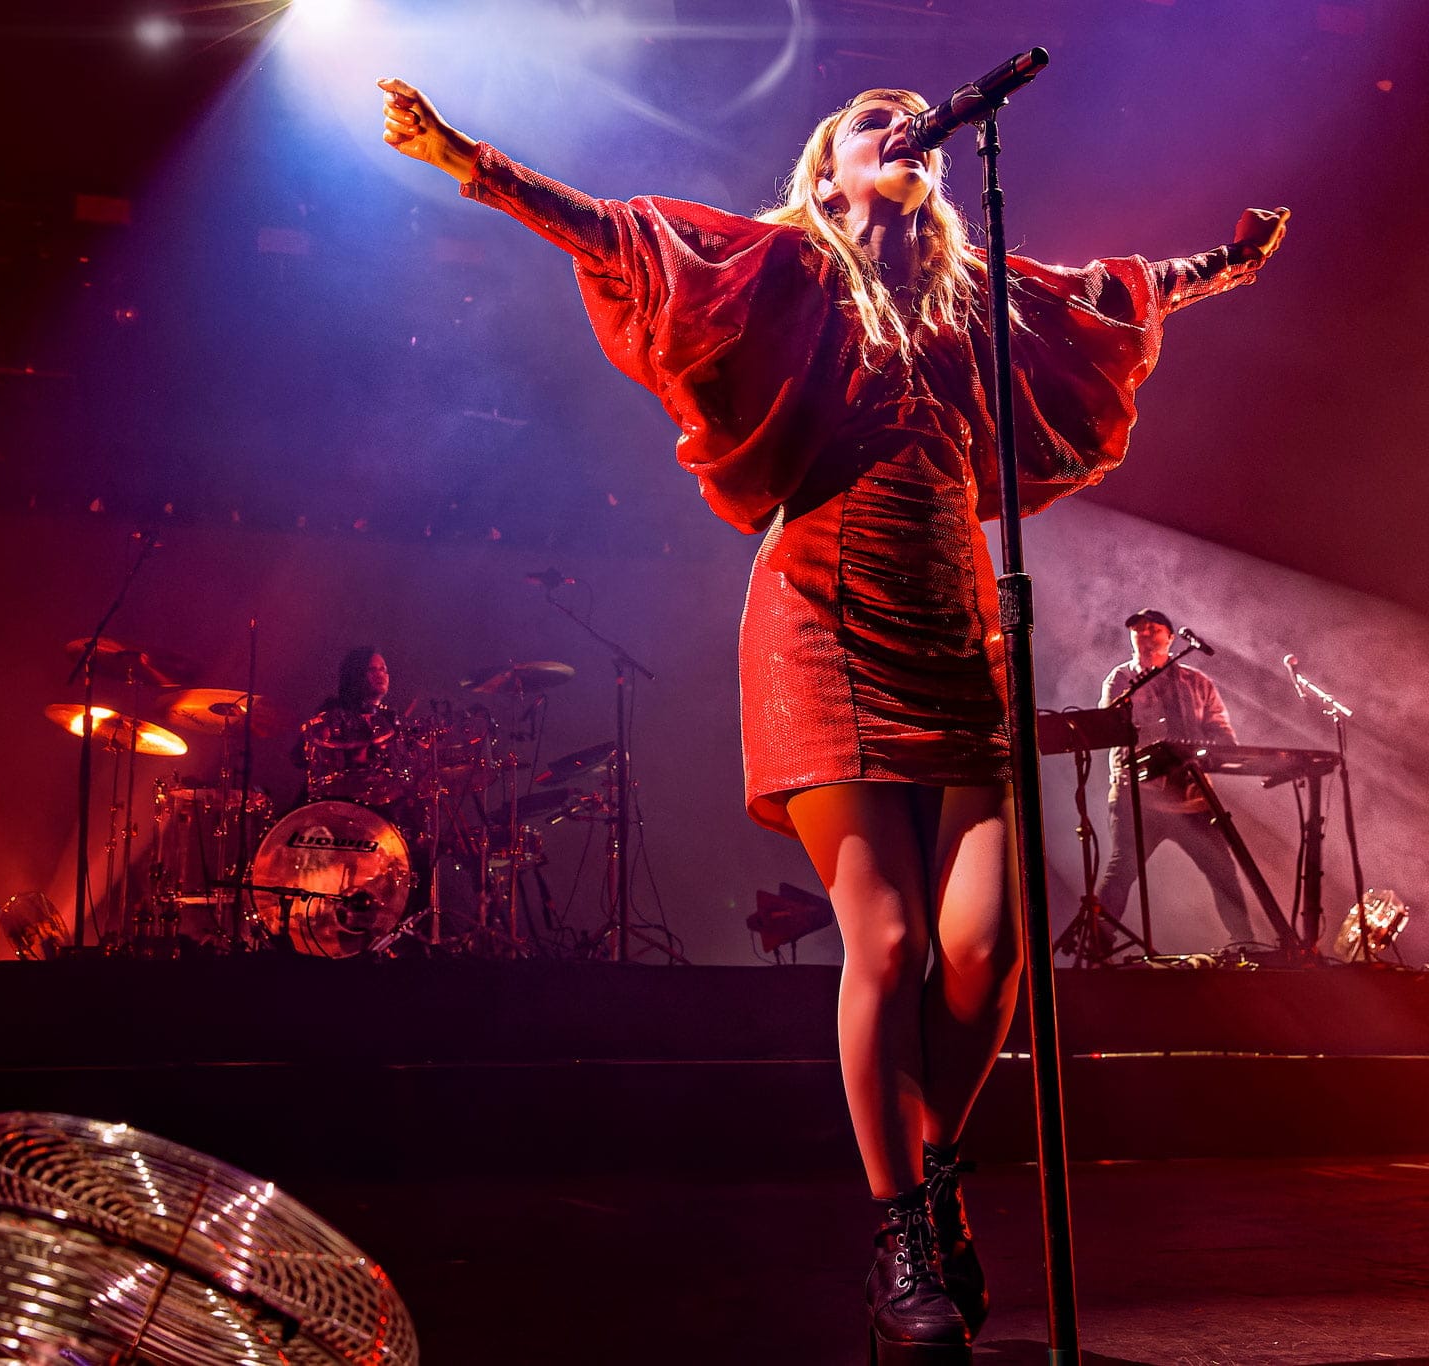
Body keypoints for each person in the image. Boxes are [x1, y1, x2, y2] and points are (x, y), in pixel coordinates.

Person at [379, 76, 1287, 1362]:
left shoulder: (977, 295)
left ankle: (929, 1186)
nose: (901, 128)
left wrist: (1224, 267)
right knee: (895, 935)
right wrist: (478, 162)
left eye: (914, 117)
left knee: (992, 950)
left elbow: (1104, 295)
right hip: (818, 618)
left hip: (959, 624)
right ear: (826, 165)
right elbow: (632, 244)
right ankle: (905, 1237)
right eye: (873, 119)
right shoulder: (785, 268)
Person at [1093, 609, 1253, 947]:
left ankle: (1247, 945)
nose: (1144, 633)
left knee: (1223, 874)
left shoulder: (1197, 682)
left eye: (1152, 628)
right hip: (1140, 797)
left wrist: (1208, 753)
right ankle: (1096, 943)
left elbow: (1223, 735)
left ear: (1170, 637)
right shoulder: (1121, 680)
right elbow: (1108, 728)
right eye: (1137, 629)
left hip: (1192, 799)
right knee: (1121, 873)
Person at [295, 647, 406, 807]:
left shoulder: (388, 719)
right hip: (337, 805)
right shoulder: (333, 712)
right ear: (356, 675)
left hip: (381, 804)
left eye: (383, 669)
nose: (380, 674)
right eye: (372, 669)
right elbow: (299, 756)